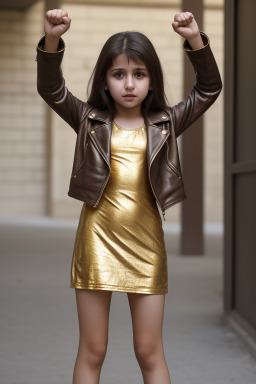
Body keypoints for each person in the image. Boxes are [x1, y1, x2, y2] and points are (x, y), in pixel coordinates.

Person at [36, 8, 222, 384]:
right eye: (118, 74)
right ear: (105, 80)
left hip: (147, 247)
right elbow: (51, 89)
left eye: (139, 73)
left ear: (152, 79)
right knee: (94, 349)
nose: (129, 84)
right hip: (96, 243)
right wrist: (53, 40)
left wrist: (194, 39)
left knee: (148, 350)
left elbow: (208, 88)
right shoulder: (89, 119)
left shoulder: (166, 123)